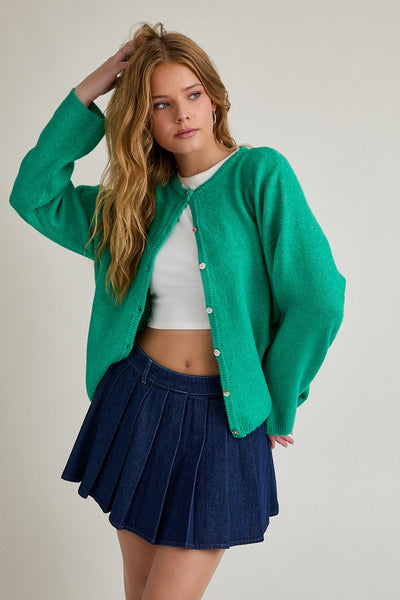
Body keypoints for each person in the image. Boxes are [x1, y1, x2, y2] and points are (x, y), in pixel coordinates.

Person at [9, 21, 346, 600]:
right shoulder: (134, 202)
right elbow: (34, 195)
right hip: (137, 402)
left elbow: (319, 298)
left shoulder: (260, 175)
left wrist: (278, 396)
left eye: (192, 94)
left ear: (214, 99)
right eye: (160, 104)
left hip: (224, 416)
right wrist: (91, 90)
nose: (182, 113)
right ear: (142, 119)